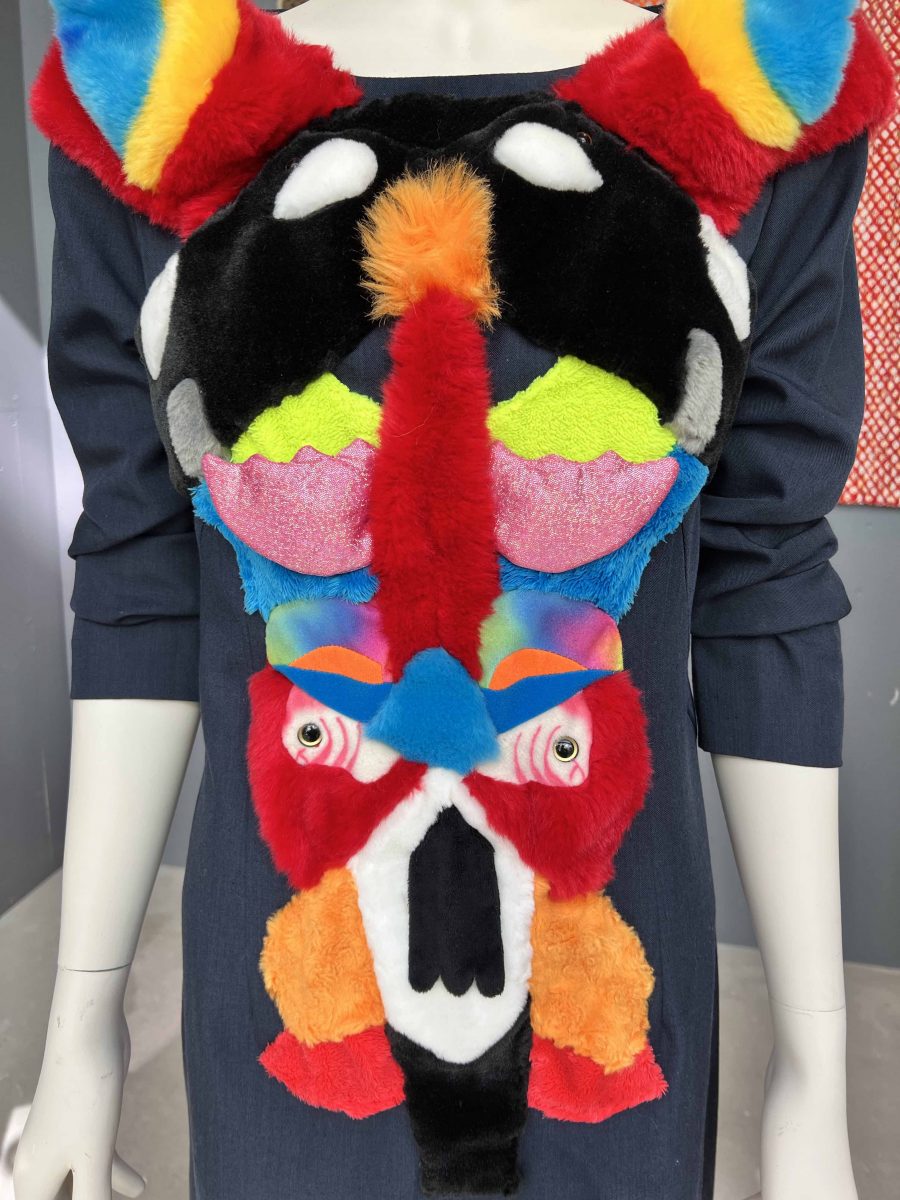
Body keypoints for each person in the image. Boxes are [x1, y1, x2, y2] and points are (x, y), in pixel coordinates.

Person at [14, 2, 893, 1198]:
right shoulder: (157, 102)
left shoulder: (760, 95)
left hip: (613, 999)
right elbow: (141, 574)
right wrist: (83, 1027)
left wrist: (814, 1066)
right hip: (290, 1000)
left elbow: (763, 582)